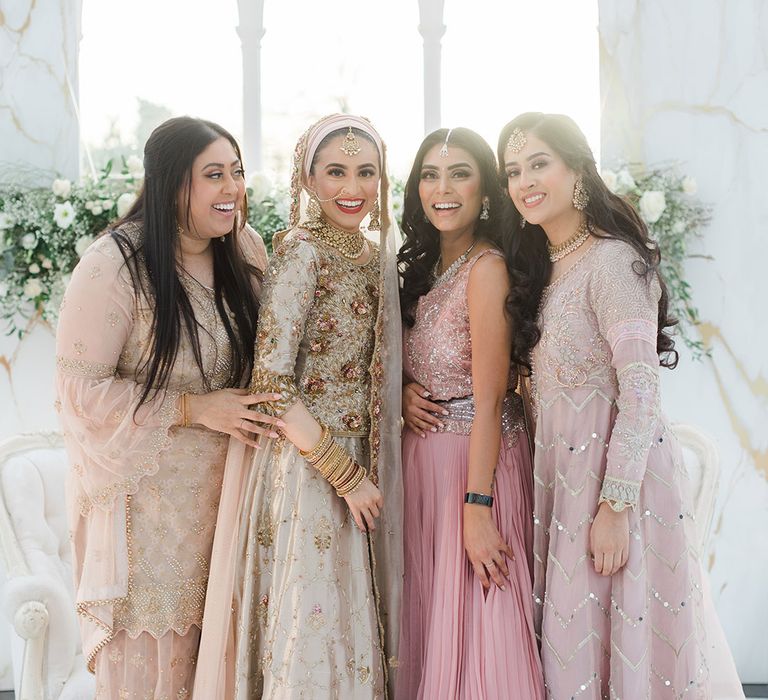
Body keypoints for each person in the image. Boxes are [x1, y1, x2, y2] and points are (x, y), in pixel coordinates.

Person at [55, 116, 278, 698]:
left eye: (237, 172)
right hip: (148, 524)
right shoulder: (116, 264)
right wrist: (195, 409)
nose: (232, 188)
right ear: (169, 183)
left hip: (232, 505)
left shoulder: (245, 251)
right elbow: (80, 394)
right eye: (213, 175)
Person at [497, 111, 712, 698]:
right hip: (559, 485)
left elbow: (640, 392)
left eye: (539, 163)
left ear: (577, 170)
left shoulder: (612, 262)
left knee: (605, 647)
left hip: (616, 490)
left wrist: (614, 506)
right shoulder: (544, 266)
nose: (524, 181)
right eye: (513, 170)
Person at [194, 114, 403, 699]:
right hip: (310, 466)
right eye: (335, 172)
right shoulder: (302, 252)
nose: (352, 187)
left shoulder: (373, 255)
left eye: (366, 172)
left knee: (350, 623)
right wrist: (344, 473)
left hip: (361, 461)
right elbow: (274, 383)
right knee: (311, 627)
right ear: (307, 180)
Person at [396, 127, 544, 699]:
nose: (443, 188)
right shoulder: (423, 269)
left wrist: (478, 510)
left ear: (485, 190)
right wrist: (406, 391)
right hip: (424, 468)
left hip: (474, 470)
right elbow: (420, 360)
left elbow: (490, 399)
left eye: (460, 173)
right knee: (433, 630)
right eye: (431, 175)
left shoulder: (487, 268)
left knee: (483, 629)